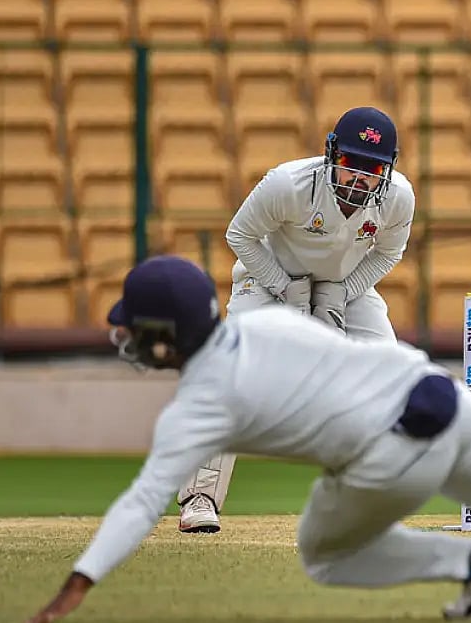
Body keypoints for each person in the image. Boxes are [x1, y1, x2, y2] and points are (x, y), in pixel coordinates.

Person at [25, 255, 471, 622]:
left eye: (136, 329)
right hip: (440, 396)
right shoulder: (264, 323)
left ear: (162, 337)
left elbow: (143, 499)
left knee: (323, 555)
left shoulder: (198, 404)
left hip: (389, 448)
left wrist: (80, 578)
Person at [176, 105, 416, 534]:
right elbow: (240, 235)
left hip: (345, 285)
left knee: (389, 374)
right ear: (331, 157)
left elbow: (388, 253)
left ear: (388, 169)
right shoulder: (288, 184)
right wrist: (285, 288)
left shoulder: (398, 197)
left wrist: (341, 294)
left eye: (373, 168)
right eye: (351, 163)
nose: (360, 178)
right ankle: (199, 497)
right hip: (268, 280)